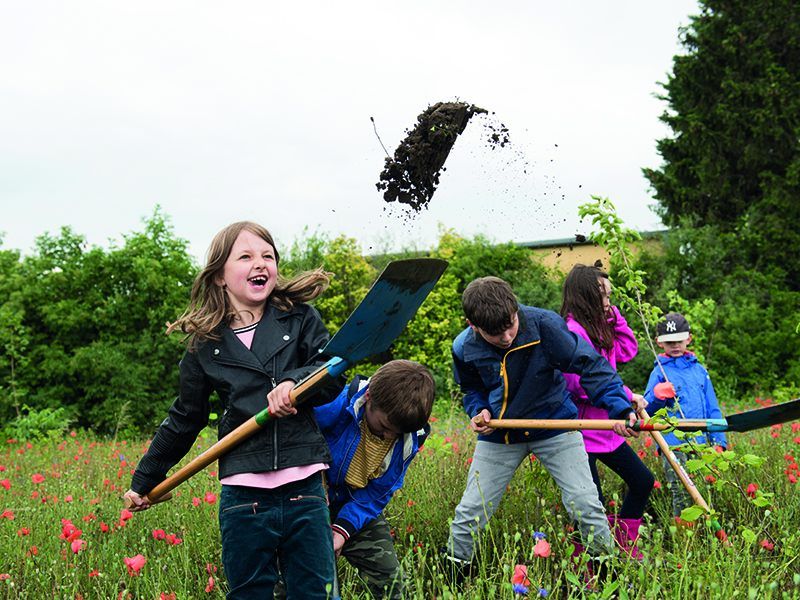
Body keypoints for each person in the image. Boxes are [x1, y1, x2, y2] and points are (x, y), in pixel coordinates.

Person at [124, 221, 345, 600]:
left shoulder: (300, 318)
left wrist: (295, 382)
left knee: (317, 593)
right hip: (244, 496)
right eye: (245, 256)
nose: (260, 263)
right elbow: (185, 418)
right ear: (219, 277)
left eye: (268, 256)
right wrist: (144, 480)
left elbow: (333, 372)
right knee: (249, 594)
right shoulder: (204, 344)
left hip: (304, 486)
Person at [445, 276, 640, 575]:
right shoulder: (463, 347)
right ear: (473, 325)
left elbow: (589, 365)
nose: (507, 337)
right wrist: (478, 409)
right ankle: (456, 578)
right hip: (501, 434)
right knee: (470, 513)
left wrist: (621, 407)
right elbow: (472, 390)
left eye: (510, 325)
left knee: (585, 503)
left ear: (515, 308)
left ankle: (607, 575)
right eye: (495, 334)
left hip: (555, 425)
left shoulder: (544, 325)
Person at [312, 359, 434, 599]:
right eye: (385, 426)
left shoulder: (409, 438)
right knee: (300, 582)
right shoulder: (337, 401)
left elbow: (378, 491)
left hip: (357, 507)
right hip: (309, 498)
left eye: (397, 433)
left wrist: (342, 530)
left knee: (393, 585)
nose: (389, 435)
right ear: (368, 396)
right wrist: (314, 487)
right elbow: (302, 439)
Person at [560, 264, 655, 559]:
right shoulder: (571, 332)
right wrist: (625, 395)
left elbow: (628, 351)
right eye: (602, 295)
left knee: (642, 480)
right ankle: (587, 563)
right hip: (581, 431)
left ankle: (624, 543)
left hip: (607, 427)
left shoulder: (600, 326)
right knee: (591, 503)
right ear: (585, 295)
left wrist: (615, 318)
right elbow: (580, 387)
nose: (607, 301)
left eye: (609, 295)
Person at [644, 312, 727, 521]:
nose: (675, 346)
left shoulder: (700, 371)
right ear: (659, 343)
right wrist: (657, 396)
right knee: (681, 491)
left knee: (703, 490)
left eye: (679, 341)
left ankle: (700, 535)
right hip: (673, 444)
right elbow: (647, 412)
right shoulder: (659, 372)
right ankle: (682, 540)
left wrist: (719, 441)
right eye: (669, 342)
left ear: (688, 338)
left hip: (700, 442)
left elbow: (712, 408)